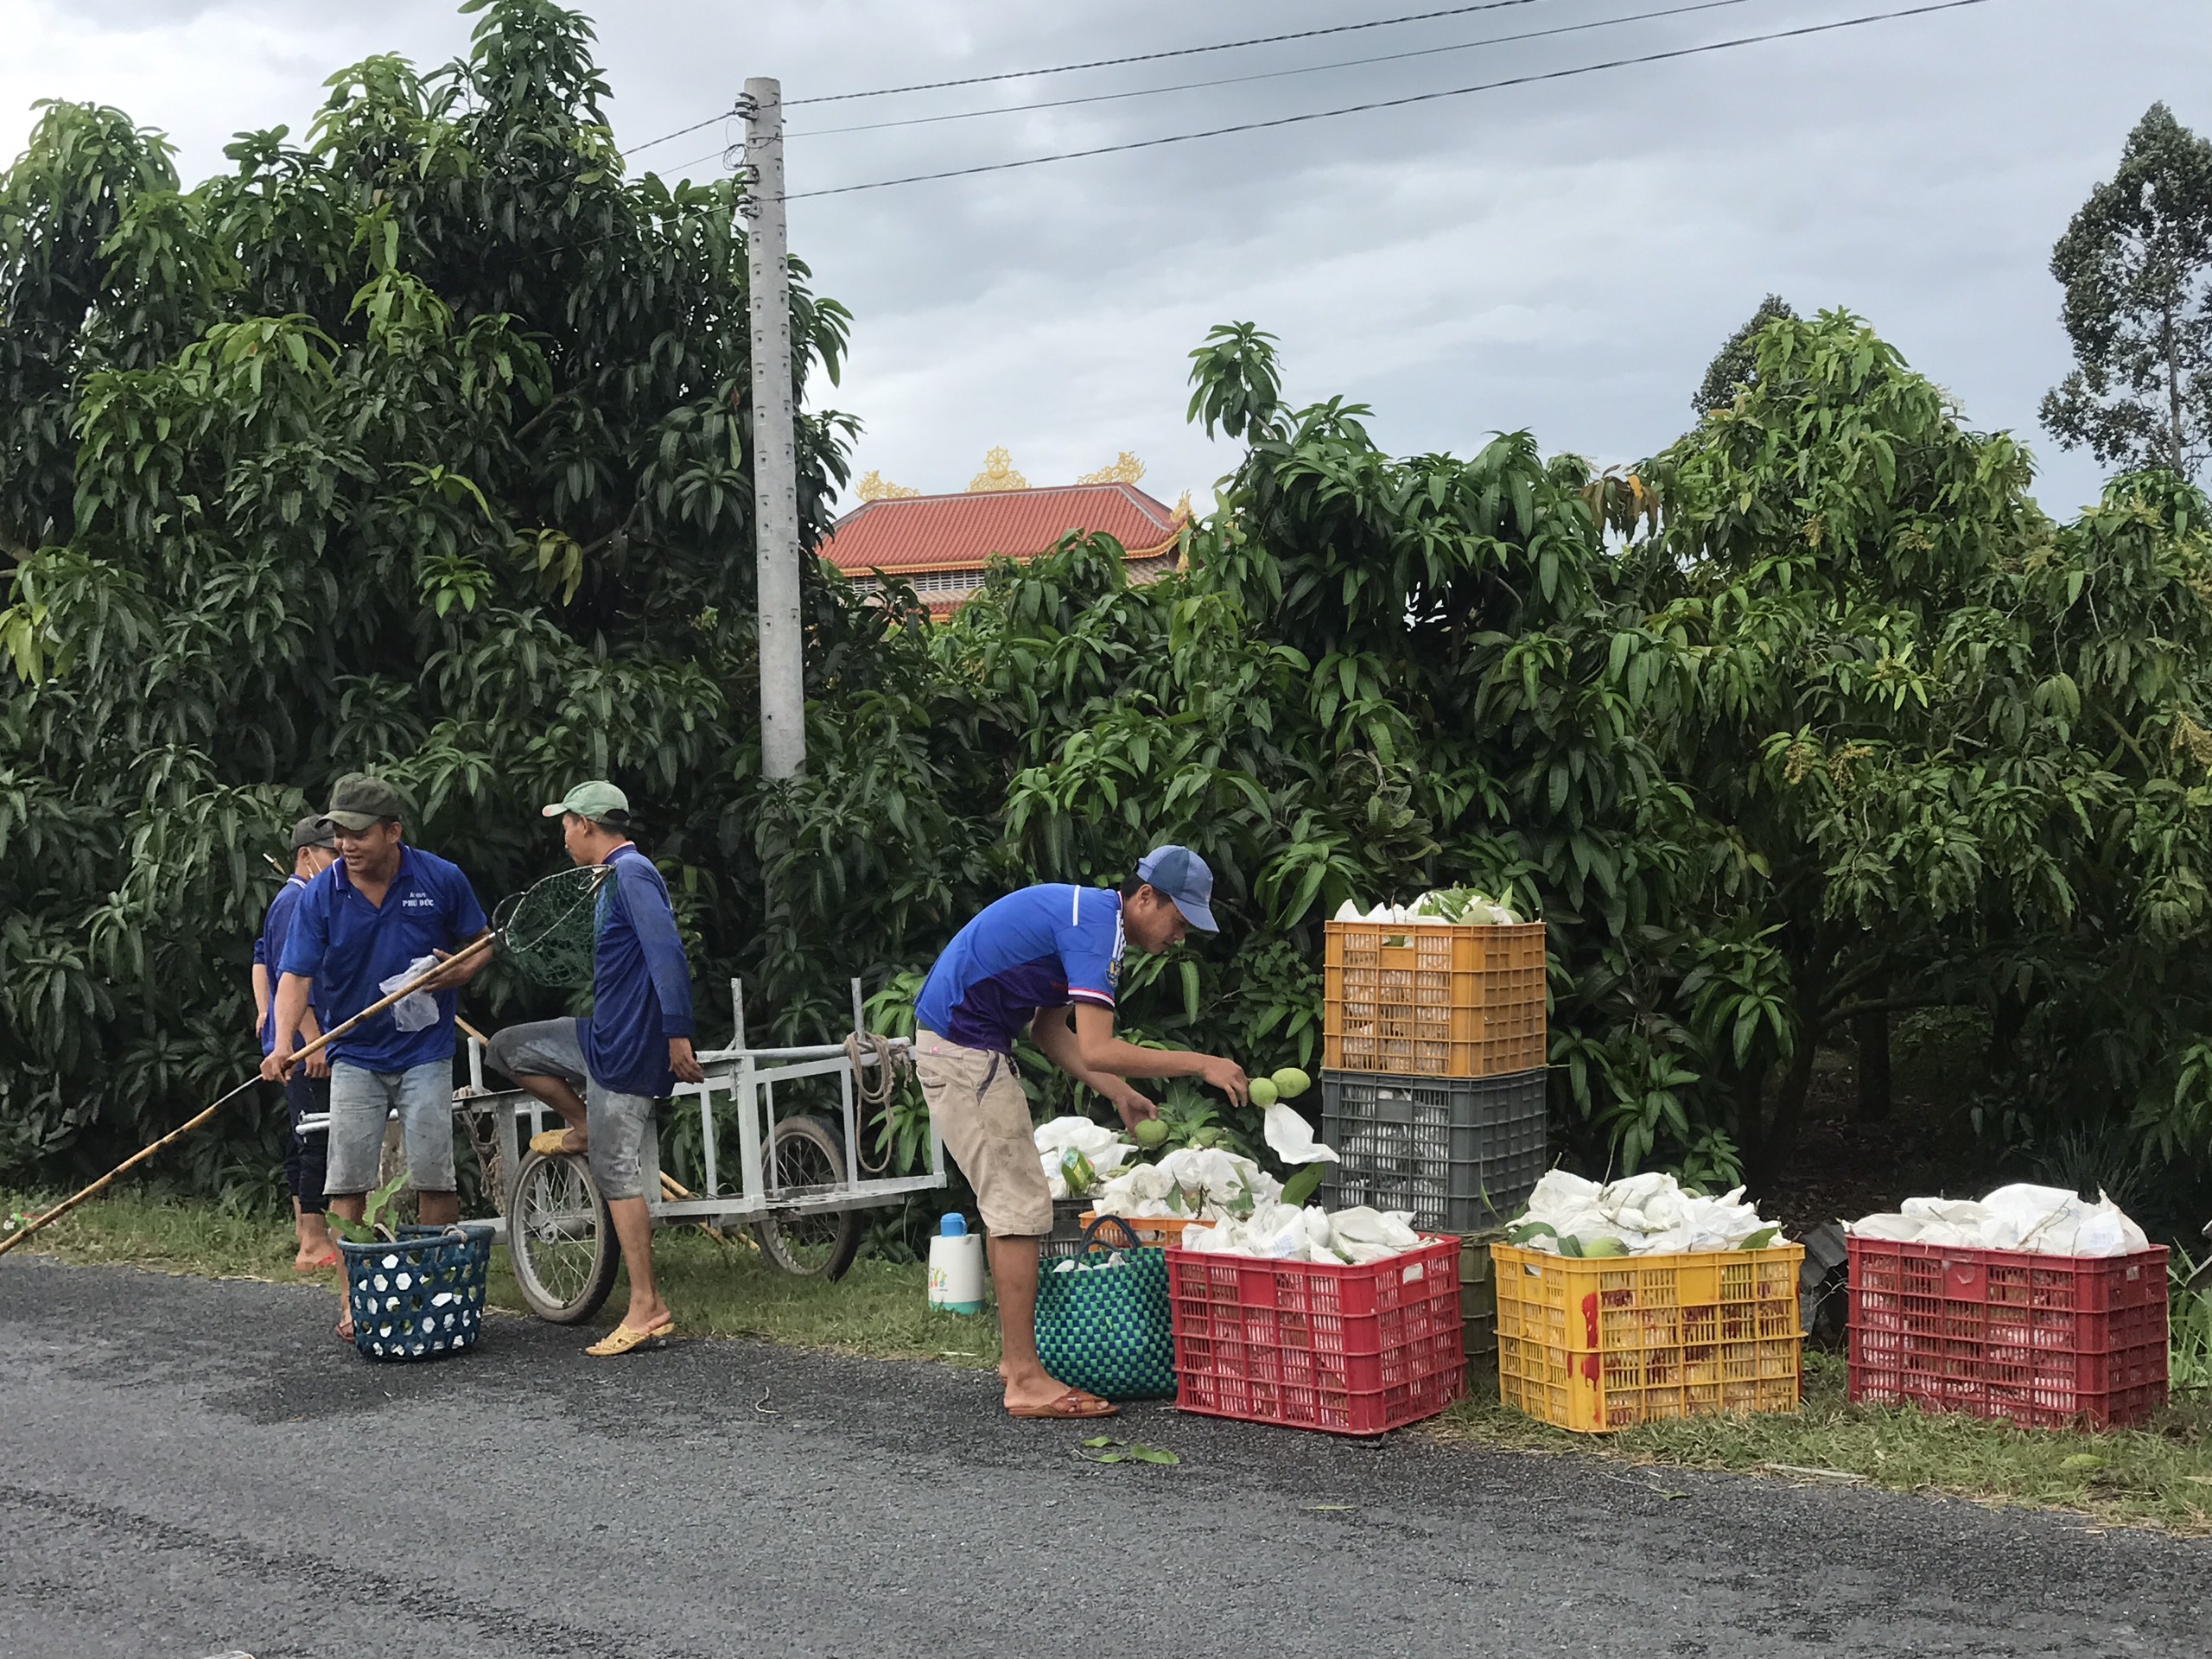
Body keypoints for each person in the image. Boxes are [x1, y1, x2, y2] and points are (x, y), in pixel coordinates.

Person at [912, 845, 1249, 1420]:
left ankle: (1018, 1366)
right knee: (1018, 1207)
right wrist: (1201, 1063)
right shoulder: (1098, 931)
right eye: (1180, 919)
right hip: (963, 1052)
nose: (1181, 936)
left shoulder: (1091, 917)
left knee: (1017, 1203)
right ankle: (1023, 1377)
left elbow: (1050, 1031)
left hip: (966, 1046)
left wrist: (1117, 1090)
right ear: (1146, 897)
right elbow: (1099, 1045)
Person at [261, 773, 492, 1336]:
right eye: (339, 833)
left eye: (359, 834)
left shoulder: (440, 877)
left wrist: (461, 969)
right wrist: (284, 1042)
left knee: (435, 1173)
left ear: (393, 832)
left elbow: (482, 941)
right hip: (355, 1052)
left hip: (425, 1048)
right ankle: (353, 1302)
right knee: (347, 1180)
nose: (347, 845)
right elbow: (294, 975)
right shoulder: (322, 893)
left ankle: (435, 1290)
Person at [486, 781, 703, 1357]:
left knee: (613, 1168)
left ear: (585, 824)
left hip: (629, 1047)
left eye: (565, 825)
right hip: (599, 1037)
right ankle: (579, 1122)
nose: (563, 836)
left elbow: (667, 954)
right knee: (506, 1048)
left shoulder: (631, 874)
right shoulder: (610, 879)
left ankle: (646, 1306)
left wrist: (677, 1035)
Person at [252, 814, 341, 1271]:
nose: (339, 860)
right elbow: (292, 972)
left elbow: (259, 958)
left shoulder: (303, 898)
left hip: (308, 1036)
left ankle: (306, 1233)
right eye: (331, 853)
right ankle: (312, 1241)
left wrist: (263, 1009)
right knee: (317, 1136)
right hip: (310, 1042)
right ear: (306, 855)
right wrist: (312, 1040)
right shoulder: (296, 901)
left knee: (304, 1133)